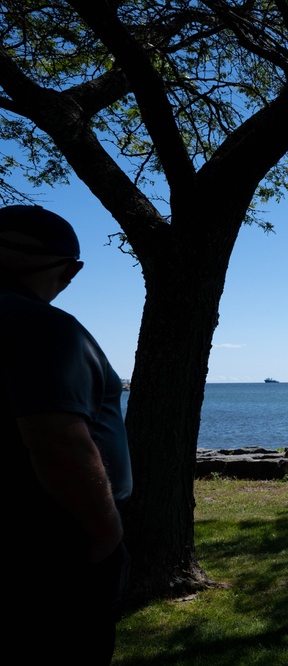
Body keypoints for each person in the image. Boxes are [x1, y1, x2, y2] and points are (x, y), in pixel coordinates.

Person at [1, 205, 132, 663]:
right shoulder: (42, 327)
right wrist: (105, 532)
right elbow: (59, 444)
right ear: (70, 271)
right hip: (50, 544)